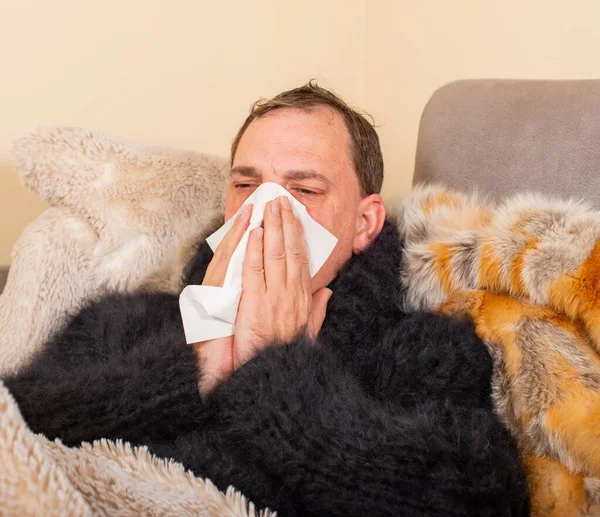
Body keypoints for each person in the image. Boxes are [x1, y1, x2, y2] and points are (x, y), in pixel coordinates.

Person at [4, 82, 530, 516]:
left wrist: (274, 370)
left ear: (364, 224)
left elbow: (484, 500)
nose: (264, 212)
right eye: (245, 184)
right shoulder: (123, 322)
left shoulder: (424, 353)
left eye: (302, 190)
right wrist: (188, 370)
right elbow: (16, 421)